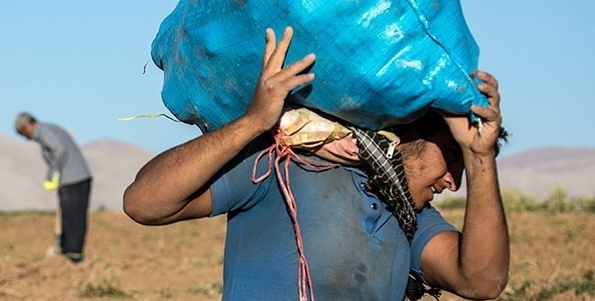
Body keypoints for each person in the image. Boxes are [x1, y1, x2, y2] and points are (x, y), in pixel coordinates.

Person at [123, 27, 508, 300]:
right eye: (452, 156)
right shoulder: (278, 165)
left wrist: (478, 157)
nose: (453, 182)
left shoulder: (410, 217)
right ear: (412, 131)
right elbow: (144, 203)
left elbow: (481, 282)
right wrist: (252, 123)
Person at [14, 112, 93, 263]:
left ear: (26, 126)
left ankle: (72, 254)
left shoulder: (45, 131)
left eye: (23, 133)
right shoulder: (49, 130)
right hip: (74, 178)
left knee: (73, 217)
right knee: (69, 216)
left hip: (73, 179)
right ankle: (67, 252)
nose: (26, 138)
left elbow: (60, 150)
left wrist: (52, 173)